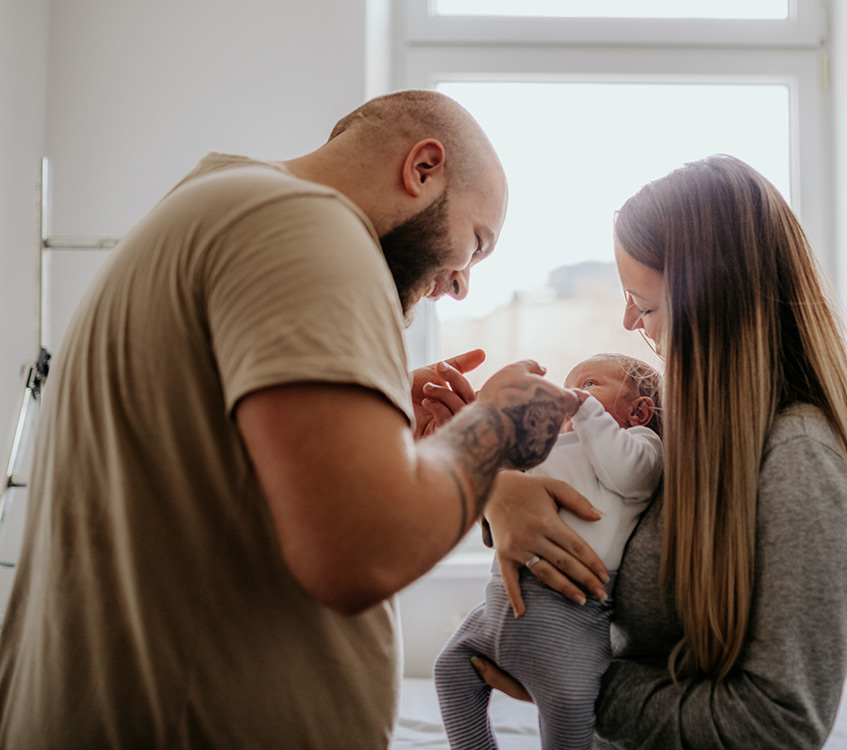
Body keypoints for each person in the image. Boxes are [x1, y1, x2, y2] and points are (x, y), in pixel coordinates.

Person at [0, 90, 579, 748]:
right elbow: (361, 548)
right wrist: (499, 424)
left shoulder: (221, 202)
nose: (461, 284)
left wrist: (384, 430)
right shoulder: (305, 224)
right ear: (423, 169)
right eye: (475, 245)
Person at [460, 155, 847, 749]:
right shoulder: (692, 431)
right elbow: (598, 497)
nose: (626, 320)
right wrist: (499, 493)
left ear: (712, 306)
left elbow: (780, 725)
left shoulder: (799, 463)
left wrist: (573, 681)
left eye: (643, 305)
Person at [434, 353, 664, 749]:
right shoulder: (557, 446)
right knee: (451, 670)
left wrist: (585, 409)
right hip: (499, 600)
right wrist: (481, 426)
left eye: (589, 384)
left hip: (567, 616)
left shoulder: (641, 446)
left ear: (639, 410)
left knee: (567, 704)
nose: (571, 393)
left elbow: (629, 475)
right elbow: (501, 499)